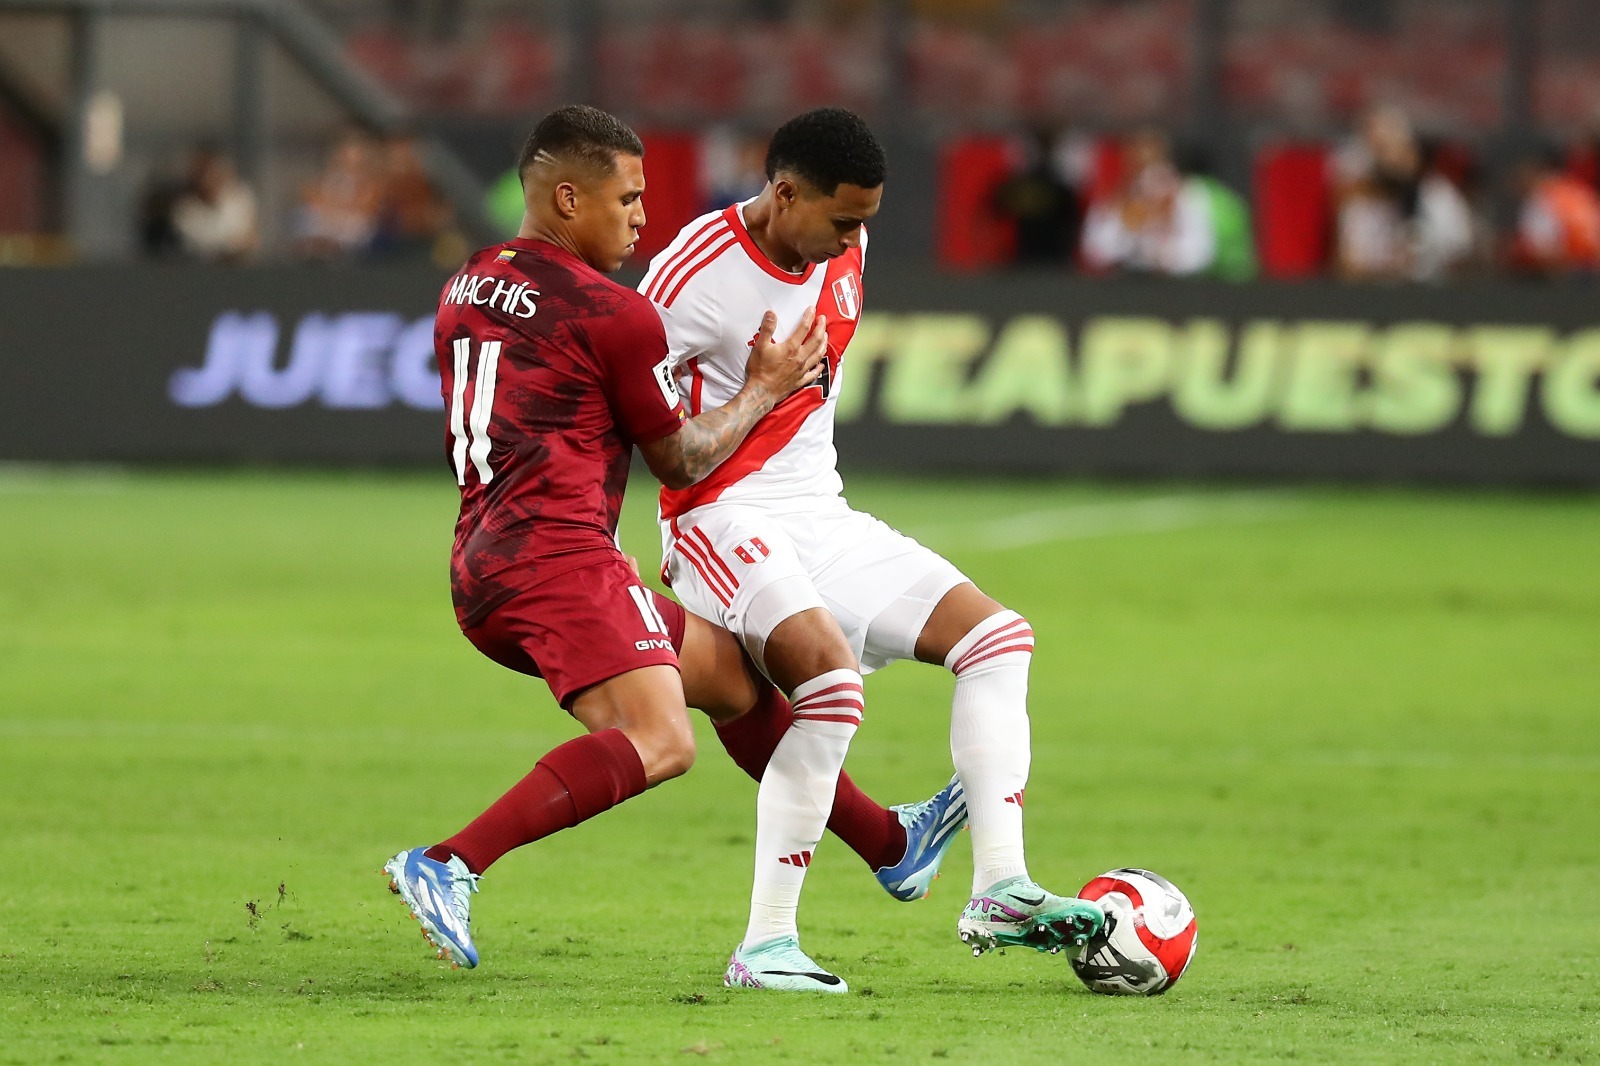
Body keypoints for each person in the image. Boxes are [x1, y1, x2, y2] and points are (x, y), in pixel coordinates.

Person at [383, 105, 967, 975]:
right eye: (626, 200)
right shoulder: (615, 316)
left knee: (732, 679)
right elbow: (683, 459)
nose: (641, 220)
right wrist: (764, 386)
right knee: (664, 742)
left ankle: (889, 842)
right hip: (560, 560)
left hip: (483, 555)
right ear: (569, 199)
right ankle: (449, 864)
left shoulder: (468, 278)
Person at [641, 107, 1106, 994]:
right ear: (784, 195)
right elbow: (648, 435)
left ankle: (1002, 887)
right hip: (718, 517)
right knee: (831, 684)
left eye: (866, 221)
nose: (856, 239)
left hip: (819, 512)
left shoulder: (840, 246)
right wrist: (760, 391)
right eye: (843, 220)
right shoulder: (691, 277)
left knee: (1000, 641)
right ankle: (766, 944)